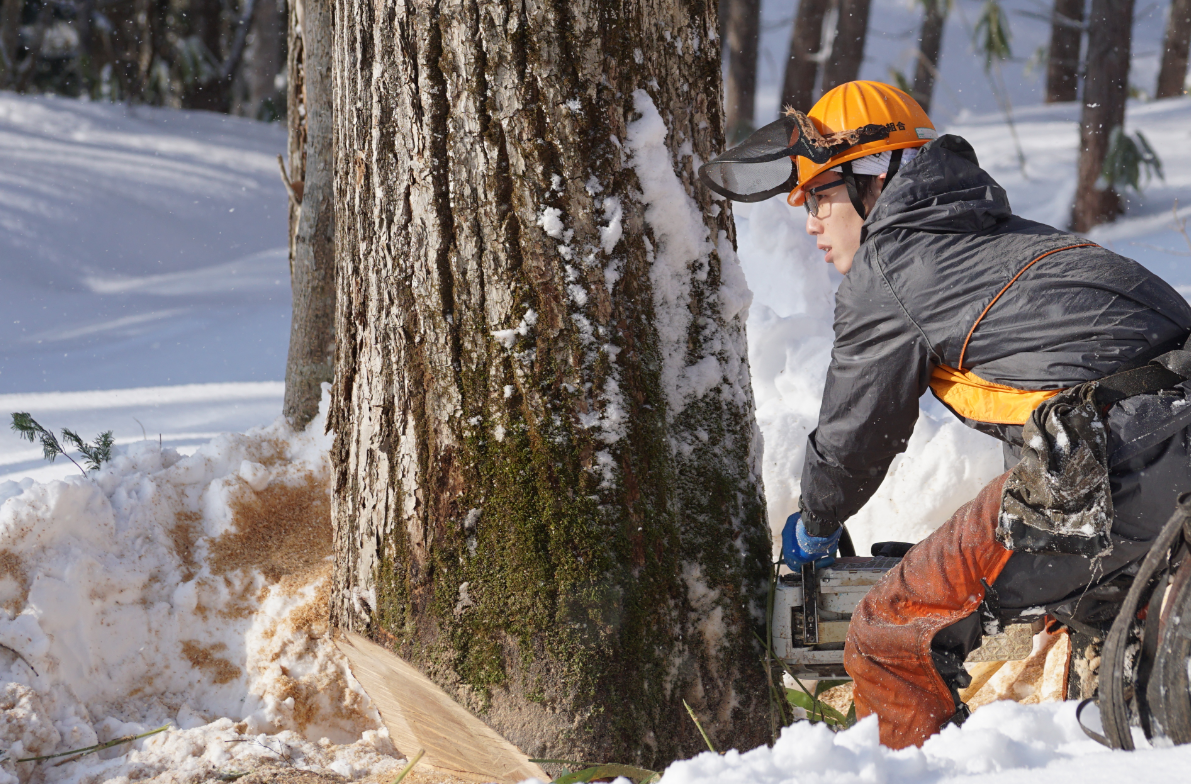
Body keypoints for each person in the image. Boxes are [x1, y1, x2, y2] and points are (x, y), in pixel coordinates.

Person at [700, 81, 1191, 749]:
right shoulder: (1006, 241)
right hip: (1162, 448)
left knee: (889, 628)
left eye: (818, 196)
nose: (810, 220)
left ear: (873, 178)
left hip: (1111, 455)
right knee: (1102, 621)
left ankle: (915, 768)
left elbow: (857, 437)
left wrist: (816, 520)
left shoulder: (892, 265)